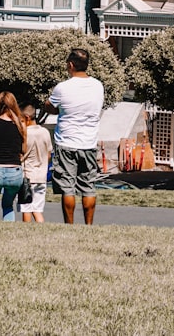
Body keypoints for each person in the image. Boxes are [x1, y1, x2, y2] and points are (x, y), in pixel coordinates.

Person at [43, 48, 105, 225]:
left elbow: (50, 106)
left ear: (71, 65)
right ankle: (88, 225)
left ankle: (69, 225)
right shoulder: (98, 86)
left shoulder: (63, 87)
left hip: (67, 142)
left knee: (67, 187)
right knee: (88, 187)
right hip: (88, 142)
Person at [0, 92, 27, 221]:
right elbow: (23, 150)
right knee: (8, 205)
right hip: (15, 171)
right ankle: (8, 233)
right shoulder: (21, 124)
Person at [20, 103, 52, 223]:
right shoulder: (45, 132)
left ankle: (27, 231)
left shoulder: (24, 133)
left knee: (26, 208)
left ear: (27, 118)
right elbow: (49, 154)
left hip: (27, 176)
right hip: (41, 176)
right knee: (37, 209)